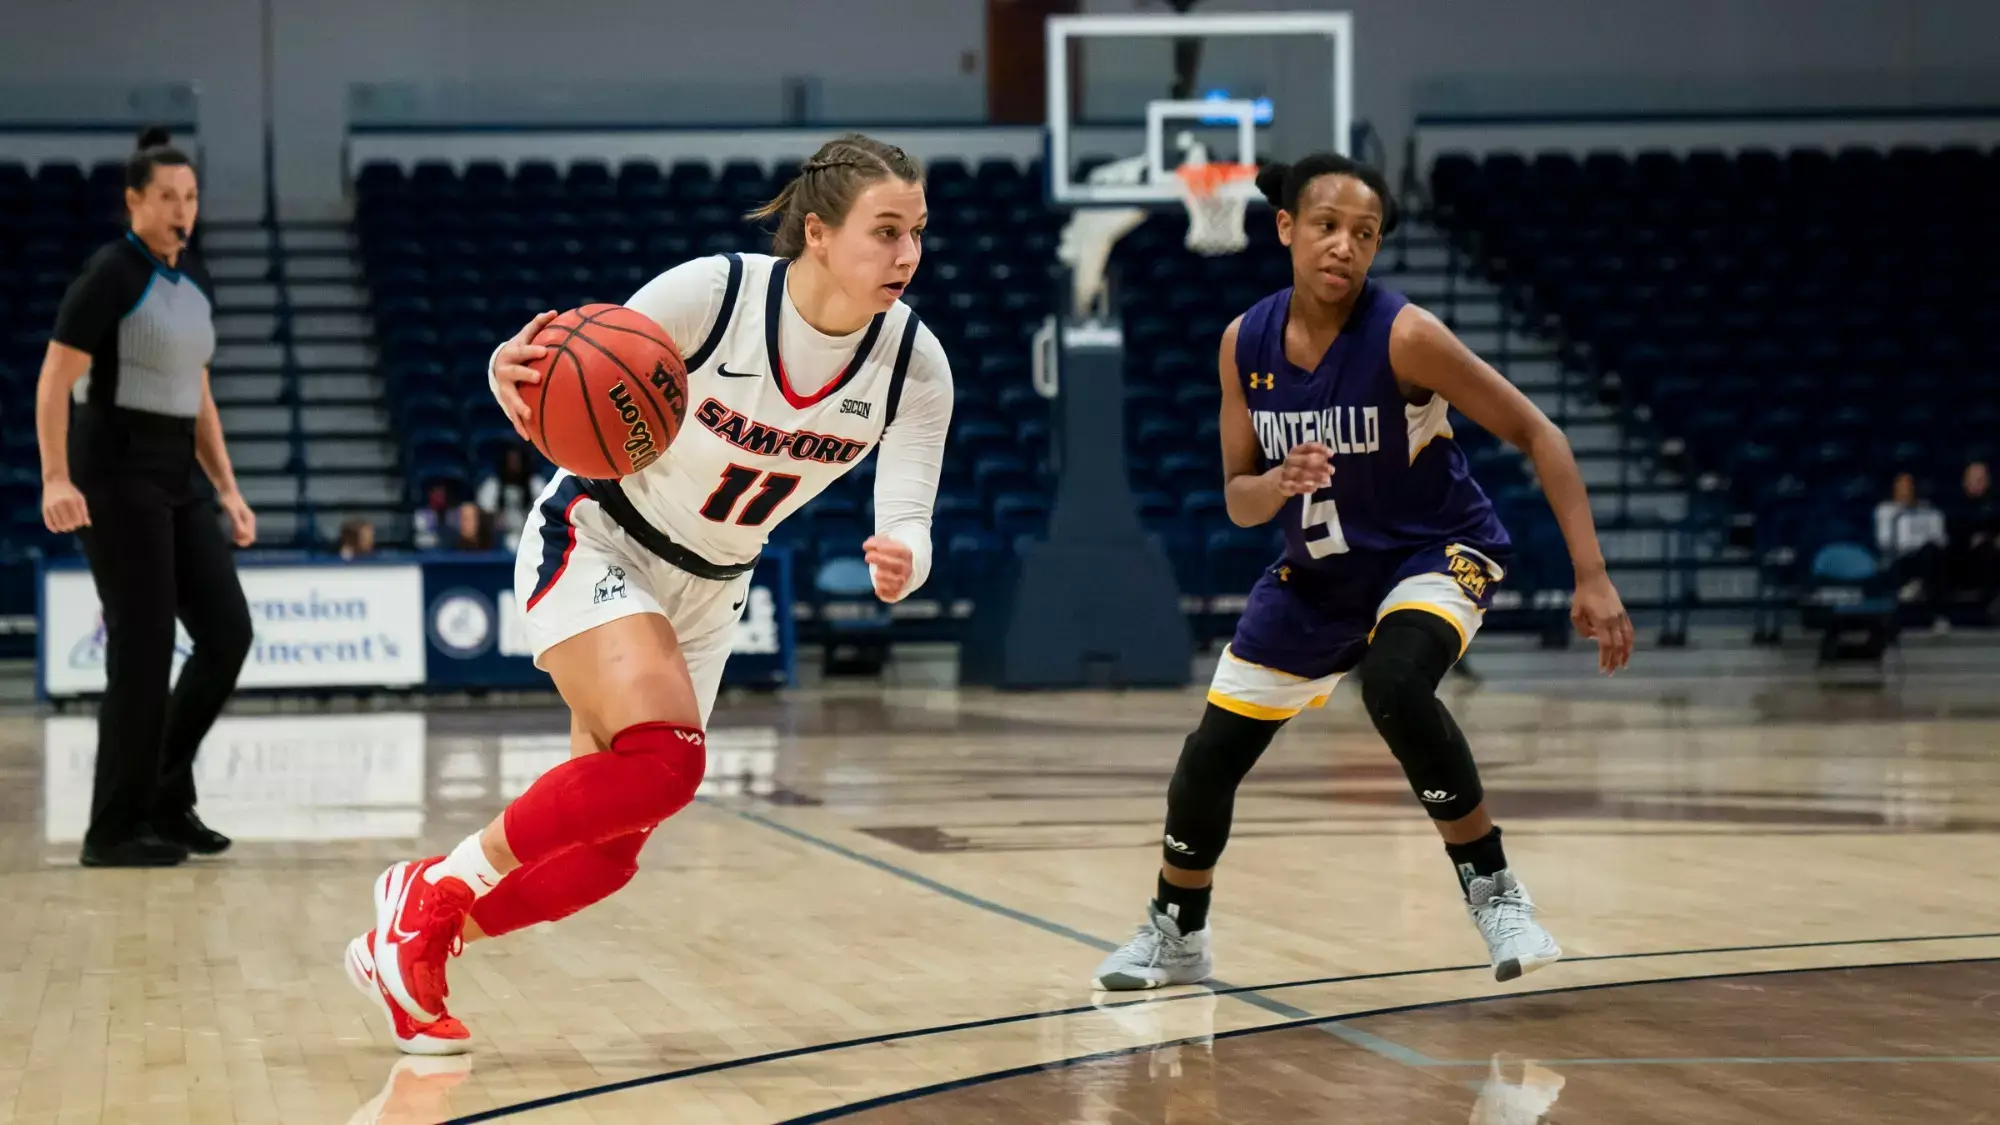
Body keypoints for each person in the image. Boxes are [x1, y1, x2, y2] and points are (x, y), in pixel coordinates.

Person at [342, 134, 952, 1053]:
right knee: (668, 759)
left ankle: (419, 942)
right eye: (887, 231)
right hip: (599, 533)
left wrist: (904, 552)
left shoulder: (916, 364)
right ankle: (432, 888)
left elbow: (912, 515)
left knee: (607, 856)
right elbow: (569, 374)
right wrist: (507, 367)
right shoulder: (714, 294)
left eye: (917, 233)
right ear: (819, 234)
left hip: (714, 585)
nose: (906, 254)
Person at [1090, 153, 1633, 992]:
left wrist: (1591, 575)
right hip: (1318, 574)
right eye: (1327, 226)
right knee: (1208, 758)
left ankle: (1496, 892)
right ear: (1286, 230)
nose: (1345, 246)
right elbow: (1237, 497)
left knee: (1394, 683)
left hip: (1434, 551)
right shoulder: (1246, 342)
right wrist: (1277, 483)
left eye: (1365, 233)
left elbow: (1540, 434)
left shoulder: (1406, 335)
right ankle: (1177, 932)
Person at [37, 126, 256, 869]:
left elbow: (198, 399)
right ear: (133, 201)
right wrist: (56, 477)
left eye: (190, 197)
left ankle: (164, 792)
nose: (181, 210)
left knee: (227, 633)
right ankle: (113, 827)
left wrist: (227, 488)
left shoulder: (192, 287)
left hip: (176, 477)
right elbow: (52, 382)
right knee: (144, 647)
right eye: (166, 196)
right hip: (115, 474)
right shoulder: (109, 276)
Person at [1874, 470, 1947, 623]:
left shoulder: (1928, 510)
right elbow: (1885, 542)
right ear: (1894, 490)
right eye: (1901, 488)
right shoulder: (1885, 511)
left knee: (1932, 553)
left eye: (1908, 487)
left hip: (1927, 557)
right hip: (1899, 559)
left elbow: (1940, 539)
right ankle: (1920, 590)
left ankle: (1920, 588)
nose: (1905, 492)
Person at [474, 444, 547, 551]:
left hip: (532, 535)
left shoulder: (536, 484)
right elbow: (485, 515)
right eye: (510, 461)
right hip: (501, 538)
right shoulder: (492, 485)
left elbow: (546, 513)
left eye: (517, 461)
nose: (514, 465)